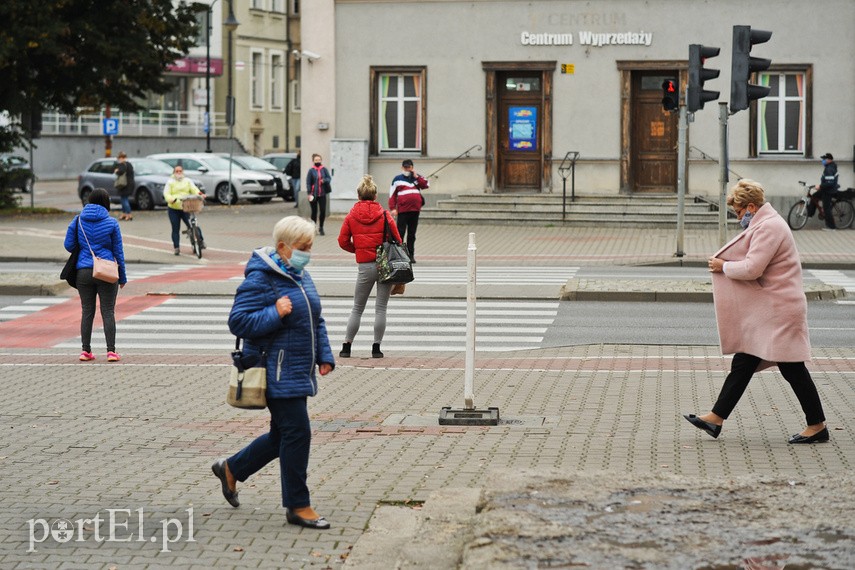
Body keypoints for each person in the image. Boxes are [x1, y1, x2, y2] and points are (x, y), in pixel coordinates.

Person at [212, 216, 335, 530]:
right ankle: (298, 505)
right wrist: (275, 313)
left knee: (283, 434)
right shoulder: (262, 277)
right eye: (303, 247)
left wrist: (325, 354)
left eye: (310, 247)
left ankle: (231, 468)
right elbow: (238, 322)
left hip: (299, 369)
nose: (308, 253)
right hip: (276, 370)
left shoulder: (299, 274)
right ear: (284, 247)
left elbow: (314, 318)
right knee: (298, 433)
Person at [685, 179, 829, 444]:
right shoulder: (766, 223)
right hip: (774, 308)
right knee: (744, 362)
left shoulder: (769, 227)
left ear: (751, 206)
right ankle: (715, 418)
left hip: (780, 310)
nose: (739, 217)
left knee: (792, 368)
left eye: (740, 211)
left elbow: (753, 268)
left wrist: (723, 266)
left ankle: (817, 426)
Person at [337, 175, 404, 359]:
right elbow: (398, 240)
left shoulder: (351, 216)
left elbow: (342, 241)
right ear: (375, 196)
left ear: (358, 196)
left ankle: (346, 347)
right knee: (381, 308)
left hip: (364, 266)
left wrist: (358, 250)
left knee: (357, 308)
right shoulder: (385, 215)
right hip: (384, 266)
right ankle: (376, 348)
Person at [63, 188, 127, 362]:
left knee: (87, 311)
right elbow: (118, 252)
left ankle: (85, 351)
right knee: (108, 311)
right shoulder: (112, 223)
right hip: (106, 271)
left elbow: (68, 245)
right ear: (106, 202)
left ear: (89, 201)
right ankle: (111, 352)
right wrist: (122, 277)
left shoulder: (77, 221)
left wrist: (84, 246)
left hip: (83, 271)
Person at [389, 159, 429, 263]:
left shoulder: (416, 178)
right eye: (405, 167)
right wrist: (393, 208)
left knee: (412, 234)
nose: (407, 169)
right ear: (402, 168)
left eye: (409, 167)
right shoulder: (397, 179)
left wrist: (416, 176)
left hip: (415, 210)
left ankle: (411, 255)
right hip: (403, 210)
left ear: (412, 167)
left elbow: (426, 185)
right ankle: (399, 255)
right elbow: (392, 194)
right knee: (400, 233)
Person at [163, 165, 206, 255]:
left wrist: (200, 194)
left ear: (183, 172)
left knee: (193, 224)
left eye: (180, 171)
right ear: (174, 173)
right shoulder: (170, 182)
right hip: (174, 208)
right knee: (175, 228)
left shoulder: (187, 181)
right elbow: (166, 194)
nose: (179, 173)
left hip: (186, 207)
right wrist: (171, 199)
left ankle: (200, 241)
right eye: (177, 171)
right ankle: (176, 247)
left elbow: (194, 189)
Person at [810, 152, 840, 230]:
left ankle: (831, 227)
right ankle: (810, 214)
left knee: (826, 208)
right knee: (814, 196)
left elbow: (829, 183)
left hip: (828, 191)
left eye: (824, 159)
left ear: (829, 160)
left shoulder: (829, 169)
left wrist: (820, 186)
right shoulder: (829, 167)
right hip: (826, 189)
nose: (822, 161)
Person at [305, 153, 332, 235]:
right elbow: (308, 182)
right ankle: (313, 227)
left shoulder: (324, 169)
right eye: (316, 160)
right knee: (314, 211)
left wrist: (324, 180)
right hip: (313, 194)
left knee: (323, 211)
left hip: (322, 194)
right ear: (313, 161)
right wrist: (309, 193)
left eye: (319, 160)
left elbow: (329, 178)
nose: (318, 161)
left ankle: (321, 227)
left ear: (321, 160)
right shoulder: (311, 170)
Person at [114, 152, 135, 221]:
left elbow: (120, 172)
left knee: (124, 199)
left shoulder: (122, 164)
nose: (119, 160)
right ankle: (124, 213)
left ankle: (128, 214)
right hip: (130, 184)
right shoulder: (129, 164)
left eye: (119, 158)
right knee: (123, 199)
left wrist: (117, 171)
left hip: (124, 185)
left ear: (122, 158)